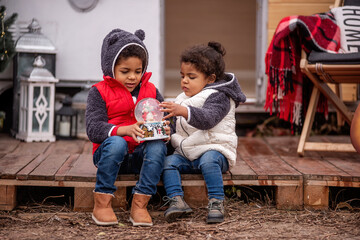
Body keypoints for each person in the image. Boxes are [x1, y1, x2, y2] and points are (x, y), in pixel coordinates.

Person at [86, 28, 170, 227]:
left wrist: (166, 131)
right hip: (111, 155)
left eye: (138, 71)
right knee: (116, 144)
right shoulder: (99, 92)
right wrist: (123, 130)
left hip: (142, 157)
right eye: (125, 72)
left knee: (158, 146)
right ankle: (103, 203)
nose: (133, 77)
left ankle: (140, 205)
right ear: (110, 67)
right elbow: (93, 128)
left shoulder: (151, 90)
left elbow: (166, 119)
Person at [160, 41, 246, 224]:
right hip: (189, 152)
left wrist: (182, 111)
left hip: (216, 149)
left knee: (208, 161)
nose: (184, 81)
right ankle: (176, 200)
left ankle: (216, 201)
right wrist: (167, 133)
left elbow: (208, 119)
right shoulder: (182, 98)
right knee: (168, 162)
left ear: (211, 79)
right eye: (182, 76)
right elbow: (179, 128)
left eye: (191, 77)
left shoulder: (220, 96)